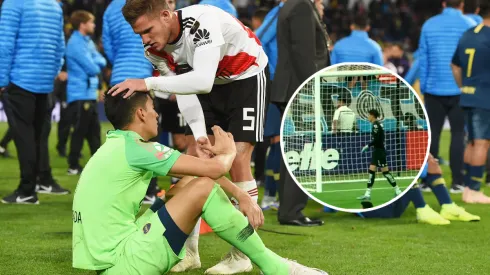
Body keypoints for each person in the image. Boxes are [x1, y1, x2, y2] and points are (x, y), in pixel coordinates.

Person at [72, 90, 328, 275]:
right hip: (124, 263)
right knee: (203, 188)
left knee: (191, 182)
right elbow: (216, 168)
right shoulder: (138, 149)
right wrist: (227, 150)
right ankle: (276, 268)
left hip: (110, 260)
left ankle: (192, 255)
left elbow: (199, 171)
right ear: (140, 113)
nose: (156, 115)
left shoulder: (120, 145)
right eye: (152, 109)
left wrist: (241, 195)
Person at [108, 1, 269, 273]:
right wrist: (198, 135)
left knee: (239, 157)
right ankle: (190, 252)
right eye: (140, 34)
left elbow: (202, 81)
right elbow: (186, 90)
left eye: (147, 30)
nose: (145, 40)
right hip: (209, 84)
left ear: (165, 15)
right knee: (195, 158)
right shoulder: (153, 48)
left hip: (246, 75)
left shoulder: (202, 21)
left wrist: (146, 83)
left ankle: (241, 255)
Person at [0, 0, 69, 204]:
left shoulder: (14, 3)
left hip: (20, 79)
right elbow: (60, 45)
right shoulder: (54, 5)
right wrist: (53, 73)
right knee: (39, 136)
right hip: (45, 81)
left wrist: (2, 79)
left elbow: (5, 42)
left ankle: (27, 190)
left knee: (24, 137)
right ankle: (40, 181)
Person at [272, 0, 330, 226]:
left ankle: (289, 209)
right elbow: (303, 54)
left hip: (292, 87)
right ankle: (291, 211)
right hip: (300, 89)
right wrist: (313, 89)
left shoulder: (291, 5)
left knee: (293, 151)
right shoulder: (301, 6)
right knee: (302, 150)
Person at [103, 0, 161, 204]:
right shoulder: (148, 4)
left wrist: (120, 60)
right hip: (144, 75)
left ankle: (121, 186)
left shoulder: (110, 9)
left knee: (121, 136)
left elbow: (108, 45)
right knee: (147, 133)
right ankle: (149, 189)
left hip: (118, 76)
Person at [418, 0, 476, 193]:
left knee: (432, 133)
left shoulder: (429, 25)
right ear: (461, 3)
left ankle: (427, 180)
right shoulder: (469, 25)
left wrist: (425, 86)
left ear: (443, 3)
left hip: (434, 88)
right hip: (461, 88)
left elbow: (423, 59)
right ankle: (457, 182)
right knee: (459, 134)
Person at [361, 154, 480, 224]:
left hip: (393, 202)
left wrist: (430, 160)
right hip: (377, 210)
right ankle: (422, 209)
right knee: (409, 174)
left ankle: (448, 207)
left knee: (425, 167)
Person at [451, 3, 490, 204]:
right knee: (482, 143)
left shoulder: (468, 34)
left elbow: (455, 65)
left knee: (473, 142)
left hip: (467, 95)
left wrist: (463, 87)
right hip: (485, 96)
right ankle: (474, 190)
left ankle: (467, 189)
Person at [66, 10, 106, 175]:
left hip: (89, 93)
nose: (94, 25)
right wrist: (95, 62)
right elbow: (92, 68)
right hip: (80, 93)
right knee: (81, 130)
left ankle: (97, 164)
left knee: (94, 131)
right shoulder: (75, 43)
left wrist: (95, 61)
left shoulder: (87, 41)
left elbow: (101, 60)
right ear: (82, 25)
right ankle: (73, 165)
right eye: (91, 22)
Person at [358, 109, 402, 201]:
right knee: (377, 171)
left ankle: (397, 191)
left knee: (380, 172)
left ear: (372, 115)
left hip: (378, 151)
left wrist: (368, 145)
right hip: (379, 151)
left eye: (369, 115)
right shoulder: (378, 124)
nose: (368, 117)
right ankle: (368, 193)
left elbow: (377, 140)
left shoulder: (375, 125)